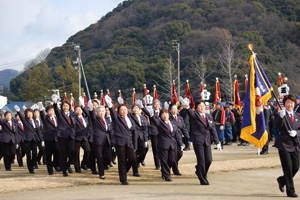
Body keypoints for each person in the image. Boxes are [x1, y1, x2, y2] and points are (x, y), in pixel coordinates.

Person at [183, 100, 222, 185]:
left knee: (209, 160)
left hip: (207, 141)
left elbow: (213, 129)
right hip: (198, 141)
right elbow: (190, 112)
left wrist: (217, 142)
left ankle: (200, 171)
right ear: (197, 108)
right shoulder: (195, 115)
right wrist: (187, 107)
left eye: (203, 106)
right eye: (200, 106)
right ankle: (202, 178)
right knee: (201, 161)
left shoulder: (208, 116)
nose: (202, 107)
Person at [105, 95, 137, 185]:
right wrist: (110, 105)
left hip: (129, 142)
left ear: (127, 110)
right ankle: (123, 179)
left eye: (125, 109)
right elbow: (113, 114)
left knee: (133, 158)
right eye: (121, 110)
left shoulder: (130, 118)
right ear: (118, 111)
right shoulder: (117, 118)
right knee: (122, 161)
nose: (123, 111)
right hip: (120, 142)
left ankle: (123, 172)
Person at [274, 94, 300, 198]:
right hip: (284, 144)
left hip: (295, 144)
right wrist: (280, 117)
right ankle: (290, 190)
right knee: (288, 168)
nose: (290, 104)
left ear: (295, 103)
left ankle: (282, 180)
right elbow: (277, 126)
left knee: (296, 166)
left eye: (292, 102)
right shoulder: (281, 114)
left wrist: (297, 133)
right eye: (288, 102)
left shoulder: (298, 116)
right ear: (284, 104)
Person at [144, 107, 178, 182]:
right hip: (163, 143)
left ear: (169, 115)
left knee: (172, 160)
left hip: (172, 144)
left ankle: (164, 170)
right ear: (160, 116)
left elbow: (176, 132)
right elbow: (154, 120)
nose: (165, 116)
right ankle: (167, 175)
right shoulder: (160, 123)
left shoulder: (173, 122)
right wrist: (150, 114)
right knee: (164, 160)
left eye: (166, 114)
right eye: (163, 114)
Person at [82, 97, 112, 180]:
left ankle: (104, 166)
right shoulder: (95, 119)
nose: (101, 113)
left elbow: (110, 131)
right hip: (97, 140)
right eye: (100, 111)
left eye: (103, 111)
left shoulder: (107, 120)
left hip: (107, 140)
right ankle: (101, 173)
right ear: (97, 112)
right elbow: (91, 115)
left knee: (108, 157)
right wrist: (90, 109)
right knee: (99, 157)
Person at [52, 95, 76, 177]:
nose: (65, 107)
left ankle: (68, 164)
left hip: (71, 135)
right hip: (62, 135)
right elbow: (56, 109)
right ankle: (64, 170)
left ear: (69, 107)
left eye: (67, 106)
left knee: (72, 151)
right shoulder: (60, 114)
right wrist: (55, 103)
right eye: (64, 106)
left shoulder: (72, 115)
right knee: (63, 154)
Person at [15, 106, 42, 174]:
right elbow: (21, 117)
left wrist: (41, 139)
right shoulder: (25, 121)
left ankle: (33, 164)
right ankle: (30, 169)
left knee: (34, 153)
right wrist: (18, 112)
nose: (29, 114)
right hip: (27, 139)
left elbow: (38, 130)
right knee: (28, 155)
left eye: (31, 113)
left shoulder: (35, 121)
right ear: (26, 114)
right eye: (28, 113)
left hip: (34, 139)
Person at [38, 103, 60, 175]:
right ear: (47, 112)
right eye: (49, 111)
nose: (51, 112)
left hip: (56, 138)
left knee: (58, 153)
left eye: (52, 110)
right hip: (48, 139)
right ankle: (50, 170)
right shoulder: (46, 118)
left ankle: (54, 164)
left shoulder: (57, 118)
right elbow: (42, 116)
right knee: (48, 155)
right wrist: (41, 110)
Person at [169, 103, 189, 176]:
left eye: (175, 109)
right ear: (170, 110)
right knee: (173, 155)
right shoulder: (168, 118)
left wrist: (188, 138)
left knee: (180, 154)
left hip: (179, 139)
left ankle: (169, 166)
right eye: (172, 109)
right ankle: (175, 170)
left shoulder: (180, 118)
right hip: (172, 139)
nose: (174, 111)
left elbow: (184, 128)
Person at [128, 104, 148, 177]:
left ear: (140, 110)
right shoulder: (130, 117)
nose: (136, 109)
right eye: (134, 108)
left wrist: (145, 139)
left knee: (142, 153)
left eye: (137, 108)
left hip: (141, 137)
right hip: (133, 137)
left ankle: (135, 163)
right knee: (135, 154)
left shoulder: (143, 117)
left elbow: (145, 129)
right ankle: (135, 171)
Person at [73, 105, 91, 173]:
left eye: (79, 109)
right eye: (76, 110)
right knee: (76, 153)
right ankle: (77, 168)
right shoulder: (74, 118)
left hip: (84, 137)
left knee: (88, 150)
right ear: (74, 111)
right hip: (76, 138)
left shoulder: (85, 118)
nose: (78, 111)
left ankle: (83, 163)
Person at [147, 100, 161, 170]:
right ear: (153, 106)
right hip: (154, 132)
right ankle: (157, 164)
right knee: (155, 148)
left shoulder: (162, 112)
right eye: (155, 104)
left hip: (162, 132)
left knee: (162, 148)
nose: (156, 106)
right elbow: (145, 111)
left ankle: (161, 161)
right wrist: (143, 106)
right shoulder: (151, 112)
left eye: (158, 104)